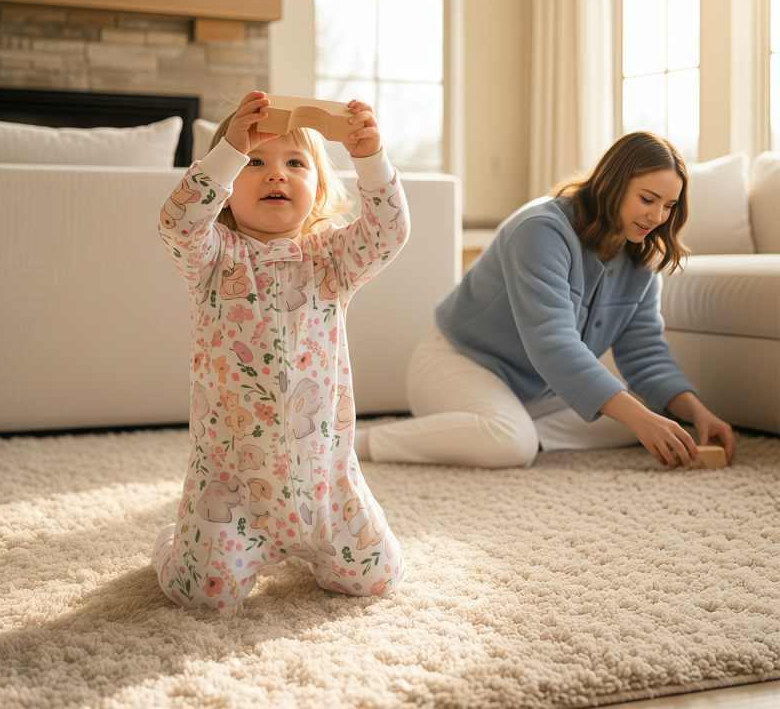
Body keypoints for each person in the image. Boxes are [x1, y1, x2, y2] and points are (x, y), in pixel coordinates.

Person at [153, 91, 409, 608]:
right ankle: (174, 545)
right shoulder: (213, 257)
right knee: (201, 595)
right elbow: (176, 223)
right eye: (254, 161)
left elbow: (389, 231)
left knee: (381, 577)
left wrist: (369, 156)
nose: (276, 173)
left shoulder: (332, 256)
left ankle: (316, 551)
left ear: (316, 192)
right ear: (224, 190)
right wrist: (227, 149)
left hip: (326, 487)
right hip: (232, 490)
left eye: (296, 163)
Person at [353, 132, 736, 469]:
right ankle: (361, 444)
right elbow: (553, 344)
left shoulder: (641, 257)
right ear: (613, 183)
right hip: (457, 364)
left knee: (652, 417)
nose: (657, 216)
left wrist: (697, 413)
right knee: (514, 444)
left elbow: (645, 353)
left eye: (669, 206)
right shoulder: (540, 230)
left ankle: (506, 428)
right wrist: (637, 418)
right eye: (648, 199)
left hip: (541, 390)